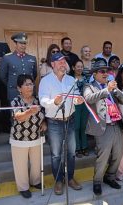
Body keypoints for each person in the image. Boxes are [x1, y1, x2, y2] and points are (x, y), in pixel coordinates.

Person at [38, 53, 83, 195]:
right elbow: (42, 100)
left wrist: (78, 100)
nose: (63, 64)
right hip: (54, 122)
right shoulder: (45, 81)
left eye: (64, 61)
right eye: (60, 62)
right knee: (56, 154)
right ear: (53, 64)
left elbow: (75, 96)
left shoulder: (71, 79)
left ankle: (70, 178)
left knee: (71, 152)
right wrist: (53, 102)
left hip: (70, 119)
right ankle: (58, 180)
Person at [83, 58, 123, 195]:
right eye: (102, 71)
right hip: (103, 127)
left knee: (118, 154)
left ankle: (110, 177)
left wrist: (115, 91)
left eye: (107, 71)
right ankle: (97, 181)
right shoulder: (88, 86)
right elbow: (89, 98)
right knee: (102, 156)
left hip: (117, 125)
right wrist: (106, 90)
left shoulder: (111, 85)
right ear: (95, 74)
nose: (105, 73)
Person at [9, 74, 46, 198]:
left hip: (36, 136)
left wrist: (44, 122)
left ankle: (35, 181)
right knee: (21, 165)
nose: (30, 86)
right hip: (20, 138)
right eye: (26, 84)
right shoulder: (16, 101)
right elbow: (18, 117)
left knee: (36, 163)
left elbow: (43, 115)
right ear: (19, 88)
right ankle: (23, 187)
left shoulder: (38, 100)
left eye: (31, 84)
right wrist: (30, 111)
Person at [0, 32, 37, 101]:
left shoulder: (32, 58)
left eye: (24, 43)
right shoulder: (7, 58)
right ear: (15, 44)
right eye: (20, 43)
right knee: (16, 112)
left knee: (31, 111)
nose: (23, 45)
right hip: (14, 92)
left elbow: (34, 75)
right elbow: (3, 76)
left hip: (29, 93)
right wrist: (13, 84)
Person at [69, 60, 89, 158]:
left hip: (85, 105)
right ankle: (77, 148)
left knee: (83, 127)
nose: (80, 68)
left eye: (81, 66)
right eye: (78, 66)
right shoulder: (69, 79)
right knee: (76, 127)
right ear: (73, 68)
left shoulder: (86, 78)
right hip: (75, 105)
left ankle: (84, 147)